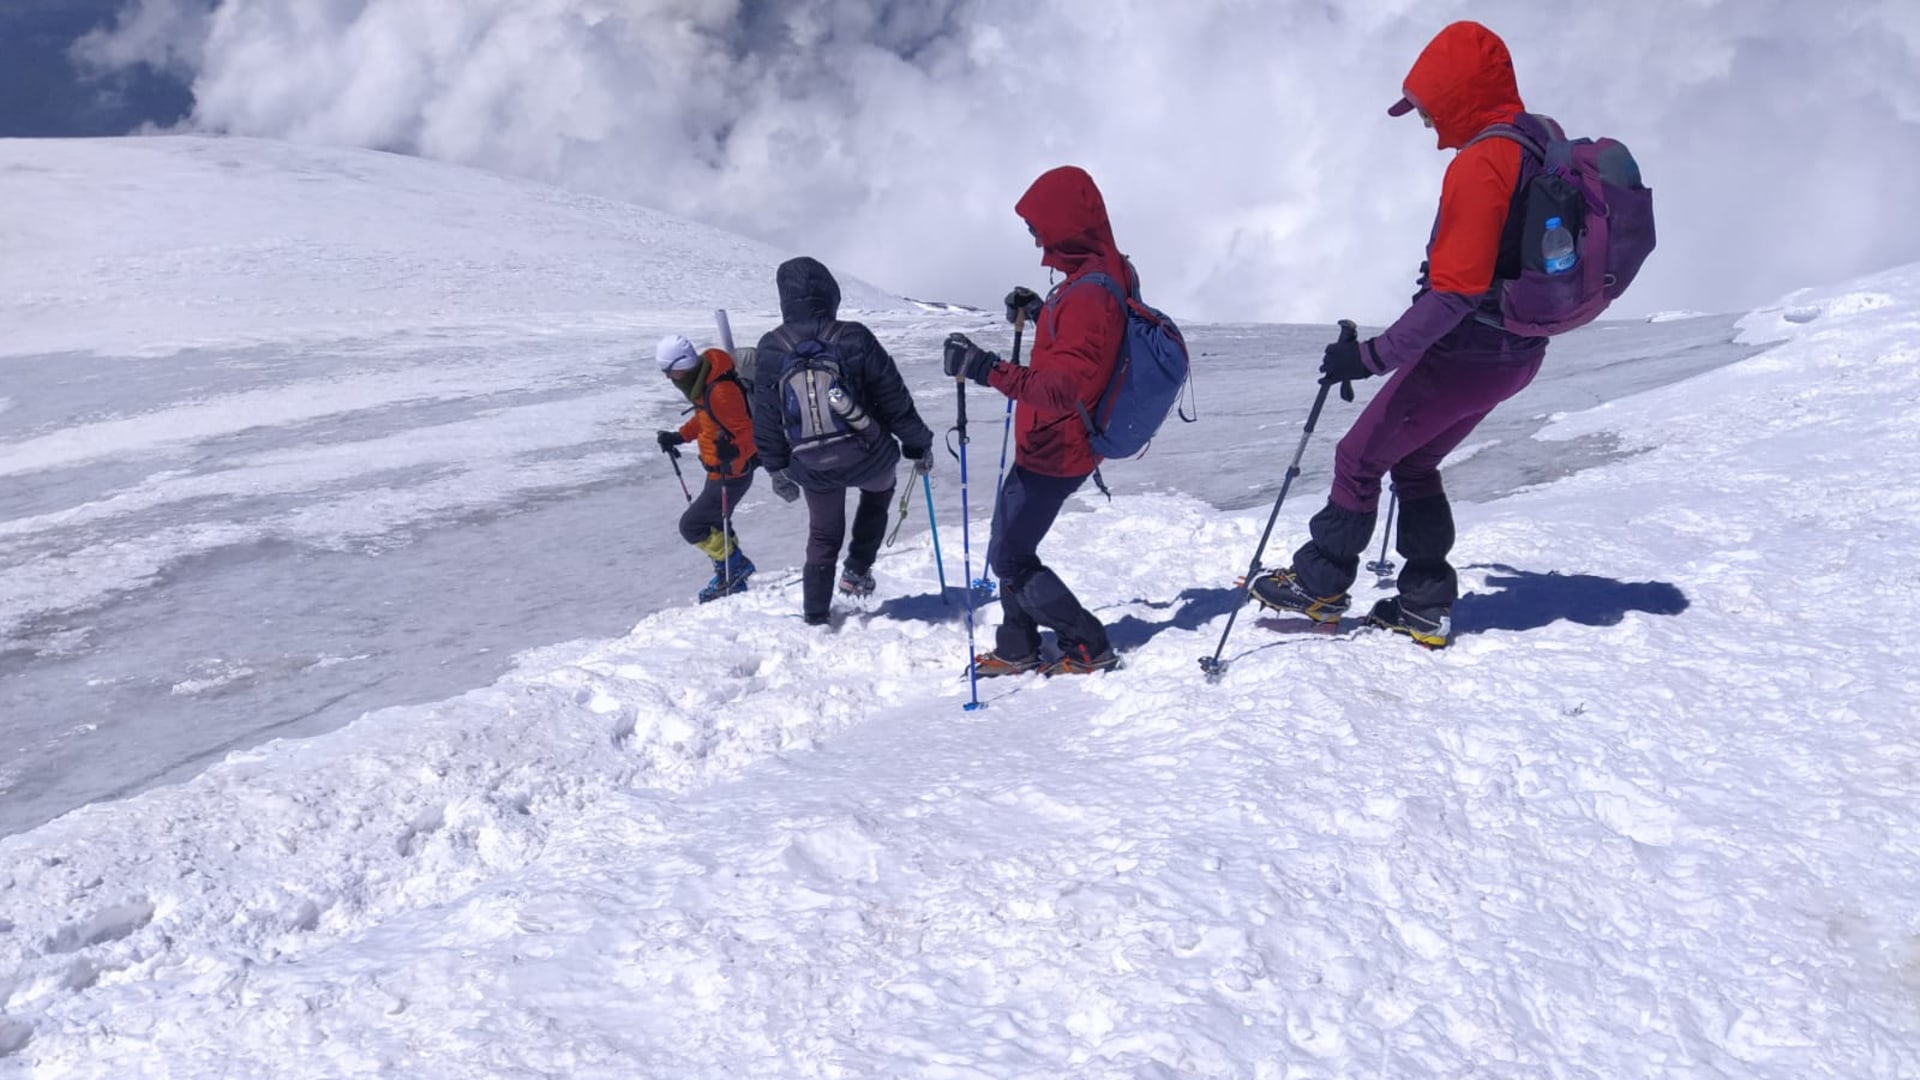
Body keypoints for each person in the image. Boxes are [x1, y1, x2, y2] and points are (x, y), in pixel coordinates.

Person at [1250, 20, 1551, 649]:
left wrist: (1368, 357)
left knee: (1357, 459)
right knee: (1414, 461)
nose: (1426, 126)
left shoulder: (1483, 161)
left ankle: (1321, 586)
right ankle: (1423, 604)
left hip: (1473, 348)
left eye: (1428, 110)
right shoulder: (1535, 142)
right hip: (1518, 350)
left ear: (1459, 94)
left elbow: (1454, 296)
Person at [941, 164, 1130, 677]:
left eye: (1038, 228)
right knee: (1010, 545)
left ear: (1065, 224)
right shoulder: (1102, 271)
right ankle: (1018, 644)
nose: (1034, 239)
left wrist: (984, 369)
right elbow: (1082, 354)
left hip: (1058, 446)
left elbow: (1059, 388)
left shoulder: (1090, 293)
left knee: (1009, 557)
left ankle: (1088, 644)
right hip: (1054, 443)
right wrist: (1043, 310)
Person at [753, 256, 934, 626]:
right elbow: (893, 398)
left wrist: (776, 469)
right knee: (878, 495)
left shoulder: (772, 347)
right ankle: (857, 570)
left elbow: (767, 416)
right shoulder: (853, 336)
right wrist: (917, 444)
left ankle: (816, 616)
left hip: (811, 466)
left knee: (822, 533)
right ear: (828, 292)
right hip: (869, 455)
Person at [655, 333, 758, 602]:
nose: (668, 378)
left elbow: (747, 433)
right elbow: (706, 419)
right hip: (719, 471)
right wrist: (678, 436)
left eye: (669, 371)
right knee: (714, 523)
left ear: (681, 365)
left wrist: (734, 452)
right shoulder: (705, 382)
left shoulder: (720, 390)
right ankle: (729, 576)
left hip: (731, 474)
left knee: (692, 526)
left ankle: (735, 566)